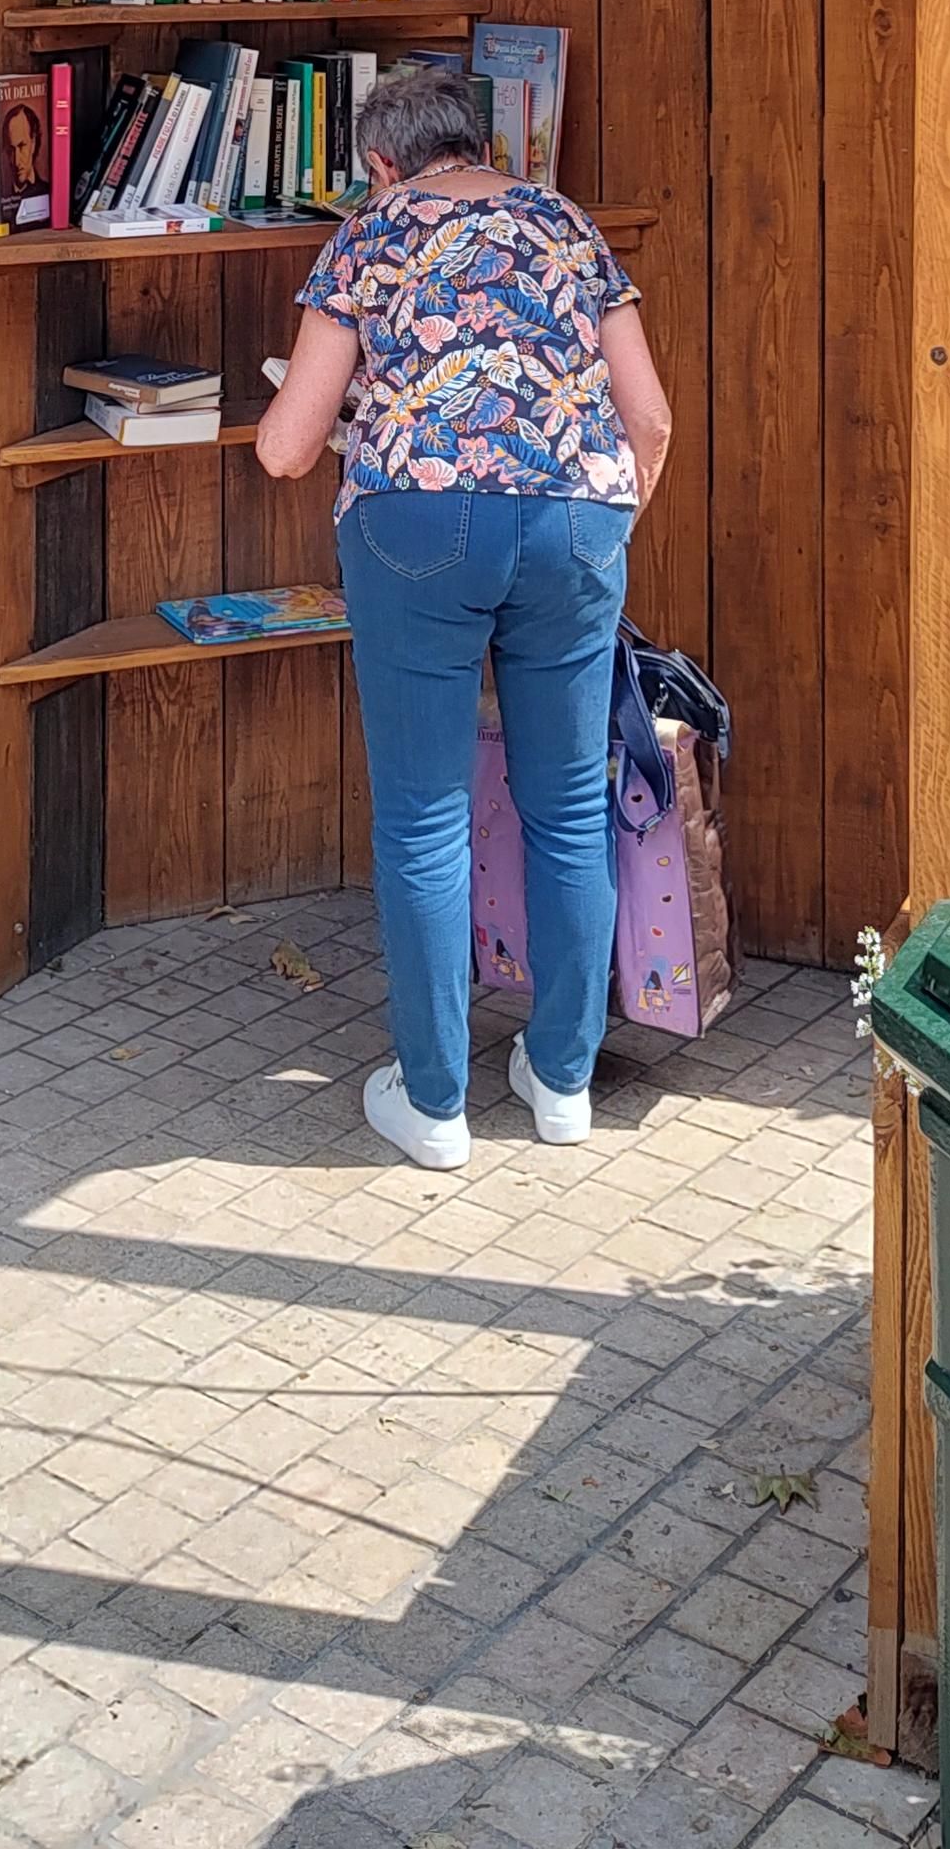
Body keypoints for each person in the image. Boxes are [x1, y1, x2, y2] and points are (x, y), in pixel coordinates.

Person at [254, 61, 673, 1170]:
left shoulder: (370, 232)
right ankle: (564, 1083)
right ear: (483, 149)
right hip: (577, 523)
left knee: (424, 817)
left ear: (381, 163)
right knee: (569, 808)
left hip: (417, 530)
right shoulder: (567, 224)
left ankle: (436, 1106)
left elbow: (287, 447)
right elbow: (651, 419)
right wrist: (601, 526)